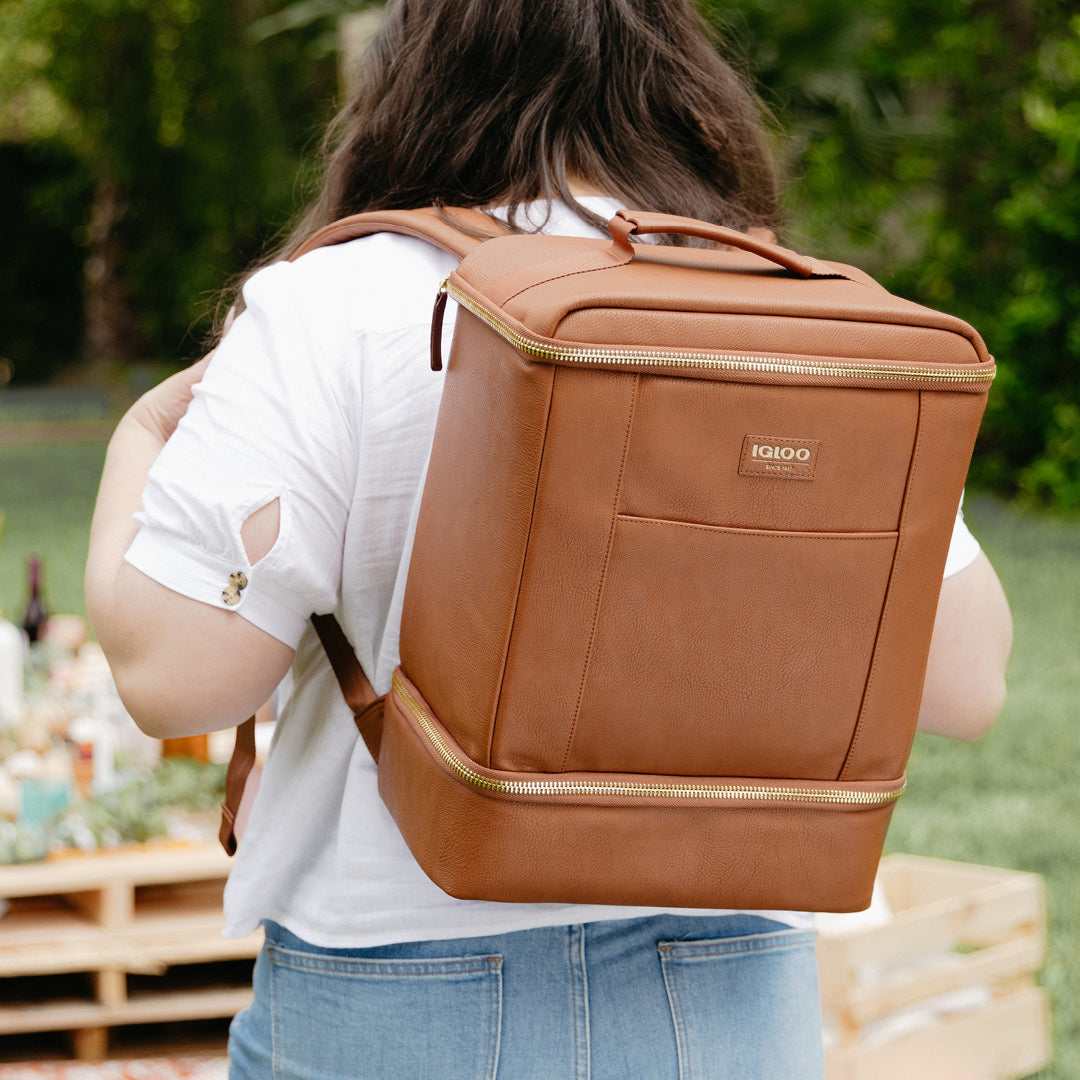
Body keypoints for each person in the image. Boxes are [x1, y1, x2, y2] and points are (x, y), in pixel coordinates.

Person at [85, 1, 1013, 1077]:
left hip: (394, 987)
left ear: (414, 64)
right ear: (674, 66)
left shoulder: (330, 306)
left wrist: (135, 440)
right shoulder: (779, 319)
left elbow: (181, 679)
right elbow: (966, 683)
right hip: (726, 988)